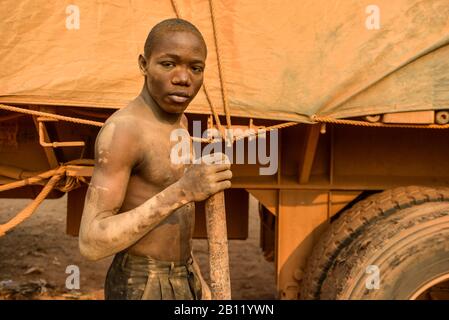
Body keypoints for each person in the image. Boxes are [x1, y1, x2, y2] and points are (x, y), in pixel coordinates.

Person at [78, 18, 232, 300]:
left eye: (195, 68)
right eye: (168, 64)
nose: (183, 78)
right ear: (143, 64)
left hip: (182, 277)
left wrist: (196, 280)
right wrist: (184, 190)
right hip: (141, 284)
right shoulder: (124, 131)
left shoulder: (180, 122)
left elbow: (176, 216)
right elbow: (91, 242)